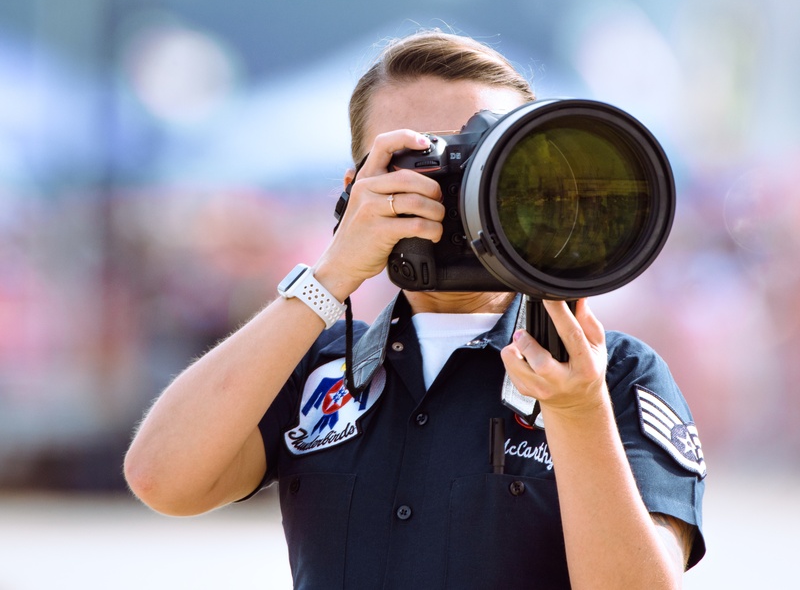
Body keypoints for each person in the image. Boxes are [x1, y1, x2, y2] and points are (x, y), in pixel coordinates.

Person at [124, 30, 707, 589]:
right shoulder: (320, 368)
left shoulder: (613, 375)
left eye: (487, 156)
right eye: (428, 158)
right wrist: (329, 278)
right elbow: (163, 479)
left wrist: (579, 412)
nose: (462, 188)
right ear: (356, 189)